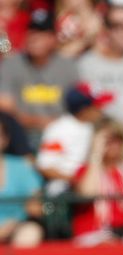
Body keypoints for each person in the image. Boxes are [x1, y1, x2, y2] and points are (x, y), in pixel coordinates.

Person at [0, 7, 79, 150]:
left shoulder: (68, 67)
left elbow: (78, 107)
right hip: (21, 135)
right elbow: (5, 105)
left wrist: (56, 125)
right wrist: (38, 122)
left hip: (60, 135)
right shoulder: (11, 64)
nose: (34, 37)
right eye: (31, 31)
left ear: (53, 38)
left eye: (41, 33)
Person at [71, 120, 123, 246]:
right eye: (108, 141)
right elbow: (87, 193)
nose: (114, 146)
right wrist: (96, 154)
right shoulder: (86, 171)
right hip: (94, 233)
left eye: (119, 140)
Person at [0, 121, 44, 247]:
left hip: (15, 228)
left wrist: (12, 225)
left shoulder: (21, 167)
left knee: (31, 232)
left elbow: (36, 206)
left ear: (5, 139)